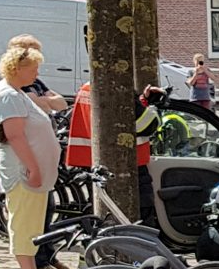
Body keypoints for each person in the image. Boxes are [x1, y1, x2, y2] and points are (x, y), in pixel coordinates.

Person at [0, 44, 60, 269]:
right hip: (22, 171)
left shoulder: (15, 92)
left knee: (30, 222)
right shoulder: (9, 96)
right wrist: (34, 168)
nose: (37, 74)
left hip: (27, 170)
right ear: (17, 68)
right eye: (33, 68)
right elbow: (15, 135)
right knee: (24, 222)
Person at [66, 81, 161, 225]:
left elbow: (120, 117)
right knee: (141, 220)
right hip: (127, 165)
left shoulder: (88, 87)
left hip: (94, 164)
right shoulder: (117, 87)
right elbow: (147, 124)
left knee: (103, 217)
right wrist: (155, 107)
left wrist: (143, 100)